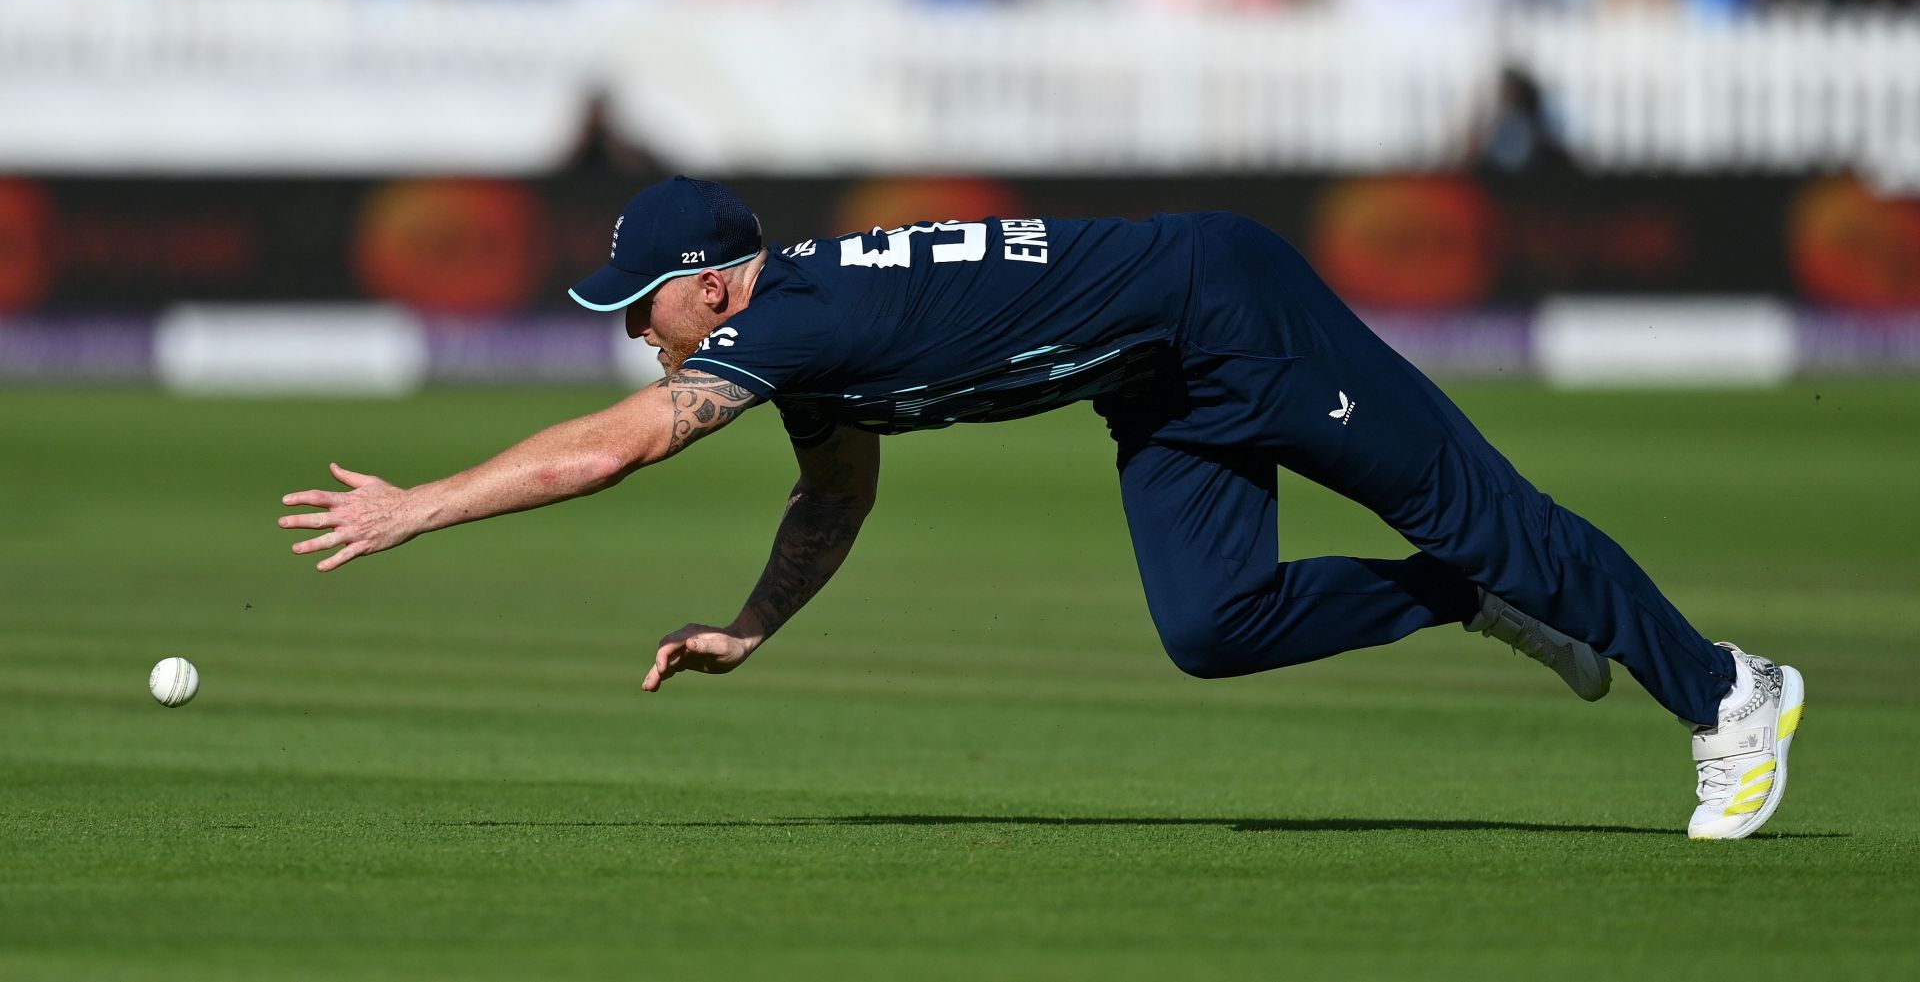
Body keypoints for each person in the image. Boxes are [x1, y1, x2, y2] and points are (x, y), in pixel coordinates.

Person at [278, 175, 1805, 840]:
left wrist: (421, 507)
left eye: (643, 303)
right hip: (1155, 377)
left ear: (717, 281)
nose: (635, 329)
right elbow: (839, 488)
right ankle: (1472, 599)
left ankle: (1733, 692)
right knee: (1214, 625)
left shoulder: (784, 322)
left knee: (1498, 513)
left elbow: (615, 446)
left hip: (1234, 309)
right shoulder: (802, 345)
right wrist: (754, 623)